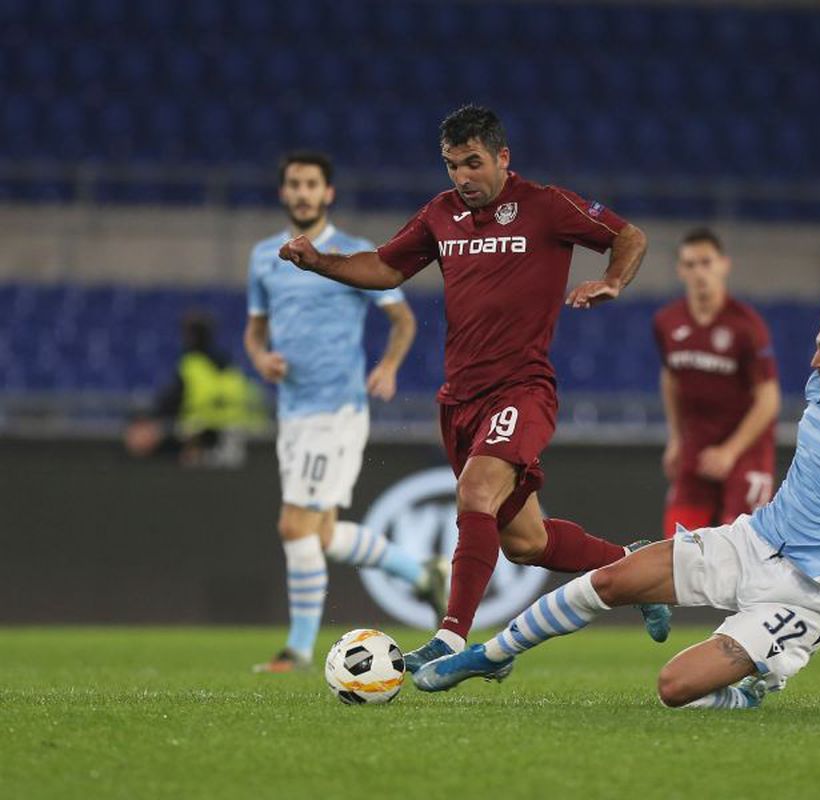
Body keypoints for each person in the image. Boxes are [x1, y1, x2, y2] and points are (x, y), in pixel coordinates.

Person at [413, 296, 820, 711]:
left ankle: (749, 692)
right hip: (750, 541)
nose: (814, 360)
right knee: (610, 581)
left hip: (805, 594)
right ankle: (491, 656)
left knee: (674, 688)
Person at [277, 105, 670, 672]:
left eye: (473, 163)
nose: (462, 177)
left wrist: (611, 280)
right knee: (527, 543)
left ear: (502, 157)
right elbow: (386, 268)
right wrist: (320, 262)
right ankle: (635, 567)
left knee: (474, 493)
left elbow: (627, 235)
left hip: (522, 389)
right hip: (459, 399)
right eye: (452, 165)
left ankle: (453, 639)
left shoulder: (546, 205)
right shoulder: (440, 214)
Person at [245, 150, 447, 674]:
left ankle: (296, 649)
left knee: (295, 526)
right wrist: (260, 358)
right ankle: (422, 573)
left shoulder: (354, 253)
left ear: (327, 193)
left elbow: (402, 320)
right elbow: (255, 329)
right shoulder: (264, 255)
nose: (303, 192)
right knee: (324, 534)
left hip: (335, 410)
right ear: (284, 192)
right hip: (292, 411)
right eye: (295, 183)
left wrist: (388, 366)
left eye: (312, 183)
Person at [654, 228, 780, 539]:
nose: (699, 272)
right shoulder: (667, 322)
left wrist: (730, 451)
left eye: (706, 263)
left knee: (744, 549)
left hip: (746, 450)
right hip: (696, 448)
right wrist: (675, 438)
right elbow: (670, 377)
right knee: (680, 547)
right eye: (691, 264)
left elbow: (769, 399)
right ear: (680, 270)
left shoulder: (746, 326)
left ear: (724, 264)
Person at [124, 311, 266, 467]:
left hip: (202, 445)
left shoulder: (191, 366)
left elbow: (168, 404)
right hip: (239, 449)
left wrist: (149, 422)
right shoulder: (232, 369)